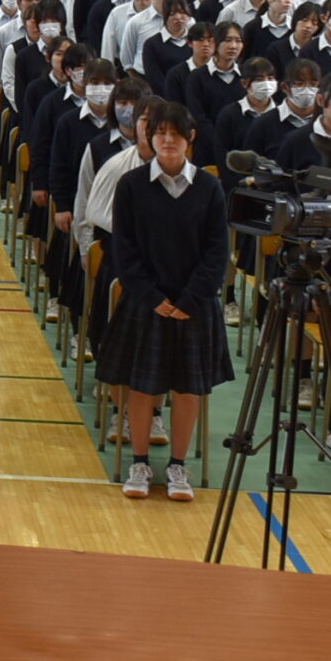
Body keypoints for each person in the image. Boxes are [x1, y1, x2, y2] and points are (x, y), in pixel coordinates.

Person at [101, 100, 231, 502]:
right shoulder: (132, 185)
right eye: (160, 133)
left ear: (190, 138)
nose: (168, 140)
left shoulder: (209, 187)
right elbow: (124, 250)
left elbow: (217, 253)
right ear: (149, 137)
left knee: (189, 389)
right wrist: (152, 296)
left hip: (194, 307)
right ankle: (139, 462)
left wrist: (190, 299)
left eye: (176, 134)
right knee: (142, 387)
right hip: (147, 304)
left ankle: (178, 465)